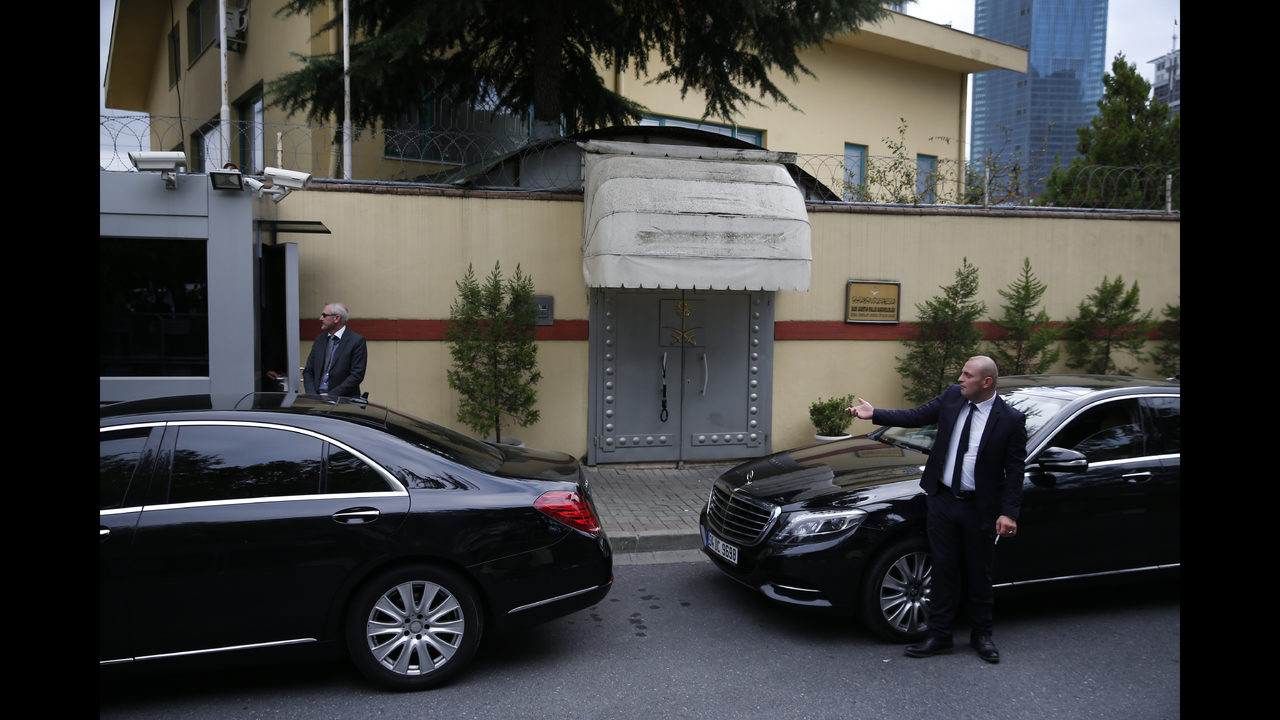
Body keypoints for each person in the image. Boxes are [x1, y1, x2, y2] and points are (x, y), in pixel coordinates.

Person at [847, 355, 1025, 663]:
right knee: (942, 569)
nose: (960, 379)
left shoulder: (1009, 419)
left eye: (967, 375)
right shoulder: (953, 397)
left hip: (979, 508)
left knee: (979, 573)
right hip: (943, 501)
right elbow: (917, 416)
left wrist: (1008, 512)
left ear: (986, 382)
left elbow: (1015, 469)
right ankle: (940, 636)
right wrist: (874, 413)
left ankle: (982, 635)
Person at [302, 302, 368, 398]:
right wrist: (313, 396)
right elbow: (308, 371)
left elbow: (356, 375)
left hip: (343, 402)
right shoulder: (319, 340)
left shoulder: (356, 341)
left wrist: (330, 396)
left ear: (337, 318)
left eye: (324, 315)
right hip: (316, 401)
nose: (321, 318)